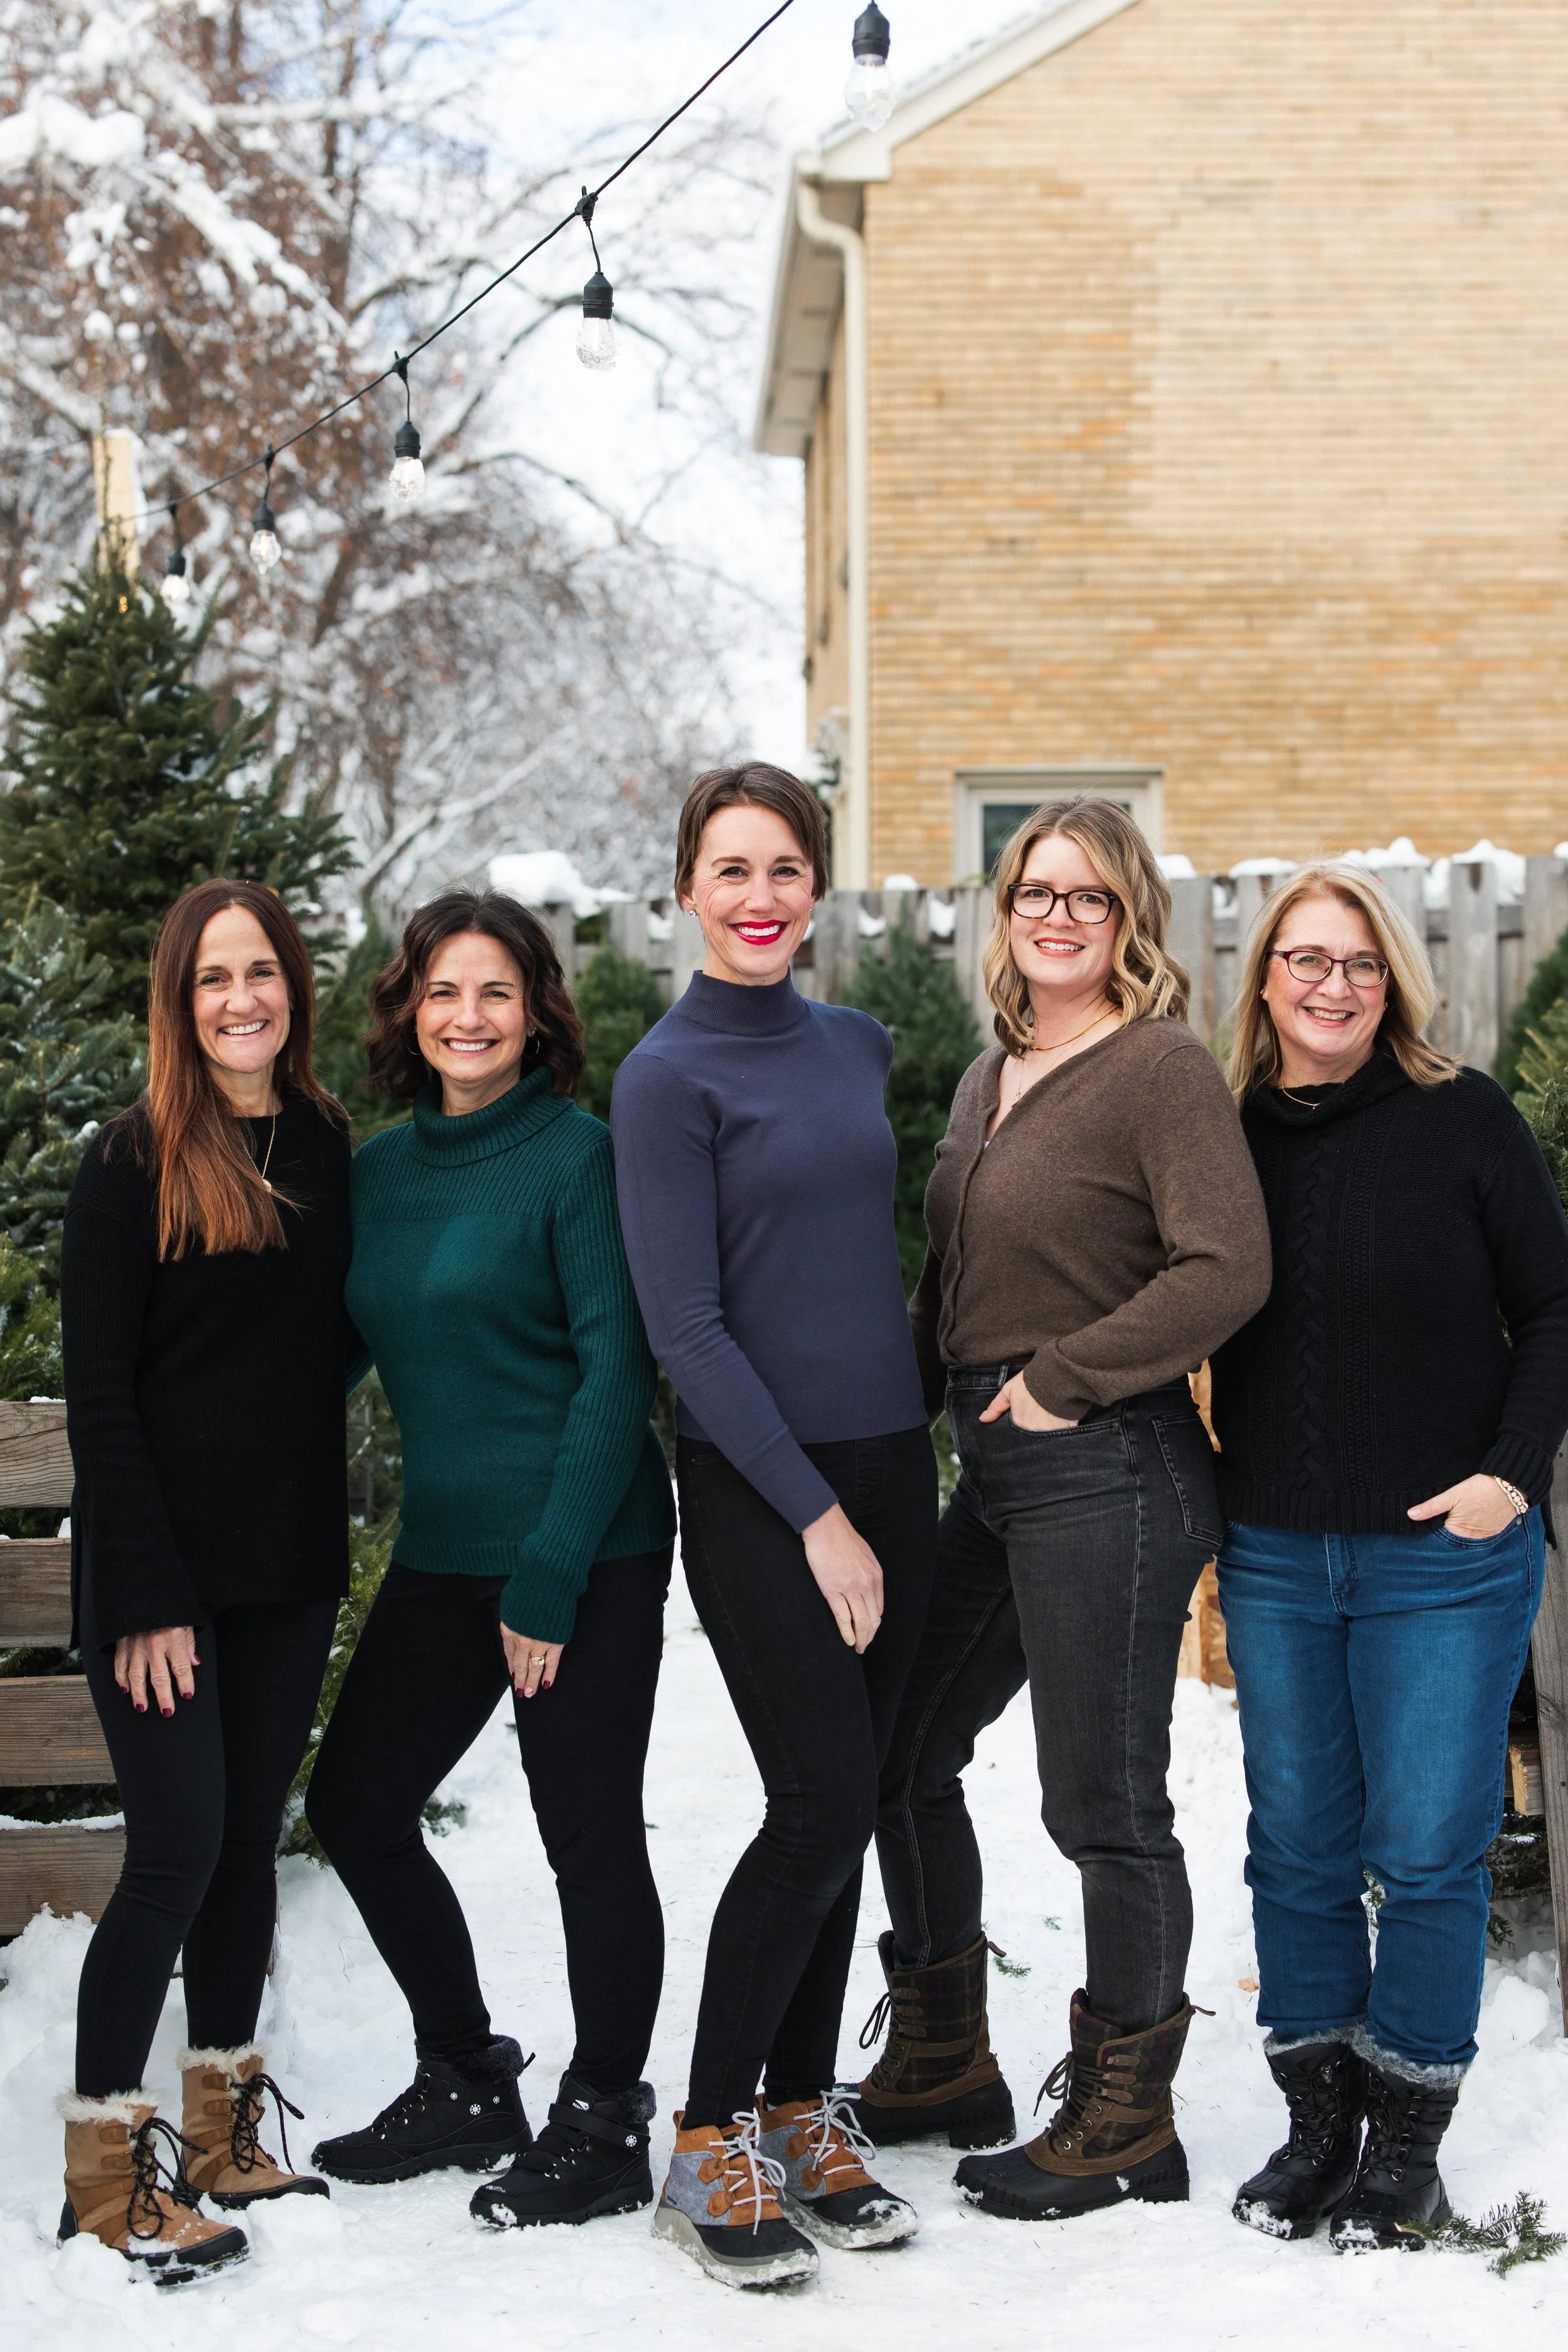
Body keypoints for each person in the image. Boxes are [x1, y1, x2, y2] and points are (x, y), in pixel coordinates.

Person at [852, 796, 1273, 2225]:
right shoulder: (992, 1073)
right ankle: (942, 2057)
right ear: (1004, 909)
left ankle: (1123, 2120)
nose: (1056, 916)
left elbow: (1224, 1268)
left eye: (1088, 898)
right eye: (1035, 891)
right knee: (896, 1750)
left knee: (1100, 1799)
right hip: (998, 1468)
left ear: (1126, 920)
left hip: (1112, 1466)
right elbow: (945, 1283)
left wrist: (1059, 1380)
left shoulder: (1155, 1068)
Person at [303, 890, 675, 2232]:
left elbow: (614, 1372)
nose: (468, 1018)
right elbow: (341, 1345)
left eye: (496, 995)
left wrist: (549, 1576)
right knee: (355, 1806)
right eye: (444, 993)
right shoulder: (379, 1174)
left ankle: (603, 2119)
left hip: (585, 1546)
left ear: (536, 1014)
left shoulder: (578, 1159)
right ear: (409, 1008)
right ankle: (467, 2078)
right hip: (446, 1549)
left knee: (586, 1838)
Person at [1210, 862, 1568, 2252]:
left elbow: (1550, 1308)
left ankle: (1402, 2149)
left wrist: (1504, 1480)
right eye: (1303, 960)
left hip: (1444, 1559)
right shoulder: (1227, 1132)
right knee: (1294, 1852)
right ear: (1264, 980)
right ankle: (1316, 2133)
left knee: (1422, 1855)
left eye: (1357, 963)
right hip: (1279, 1560)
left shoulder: (1461, 1119)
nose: (1330, 985)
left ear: (1391, 980)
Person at [610, 763, 935, 2289]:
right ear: (686, 886)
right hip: (758, 1485)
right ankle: (704, 2134)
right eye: (730, 870)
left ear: (818, 887)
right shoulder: (665, 1078)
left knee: (859, 1794)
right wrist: (815, 1514)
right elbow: (685, 1325)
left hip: (890, 1466)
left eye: (785, 870)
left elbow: (864, 1270)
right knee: (810, 1799)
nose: (759, 898)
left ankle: (800, 2113)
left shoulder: (855, 1044)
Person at [58, 879, 354, 2281]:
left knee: (245, 1851)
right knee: (174, 1854)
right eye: (211, 981)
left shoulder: (326, 1147)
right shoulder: (130, 1164)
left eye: (262, 973)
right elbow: (101, 1399)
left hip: (286, 1568)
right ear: (179, 1006)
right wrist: (145, 1593)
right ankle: (106, 2173)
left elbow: (320, 1353)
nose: (242, 998)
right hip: (157, 1586)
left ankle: (226, 2129)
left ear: (292, 987)